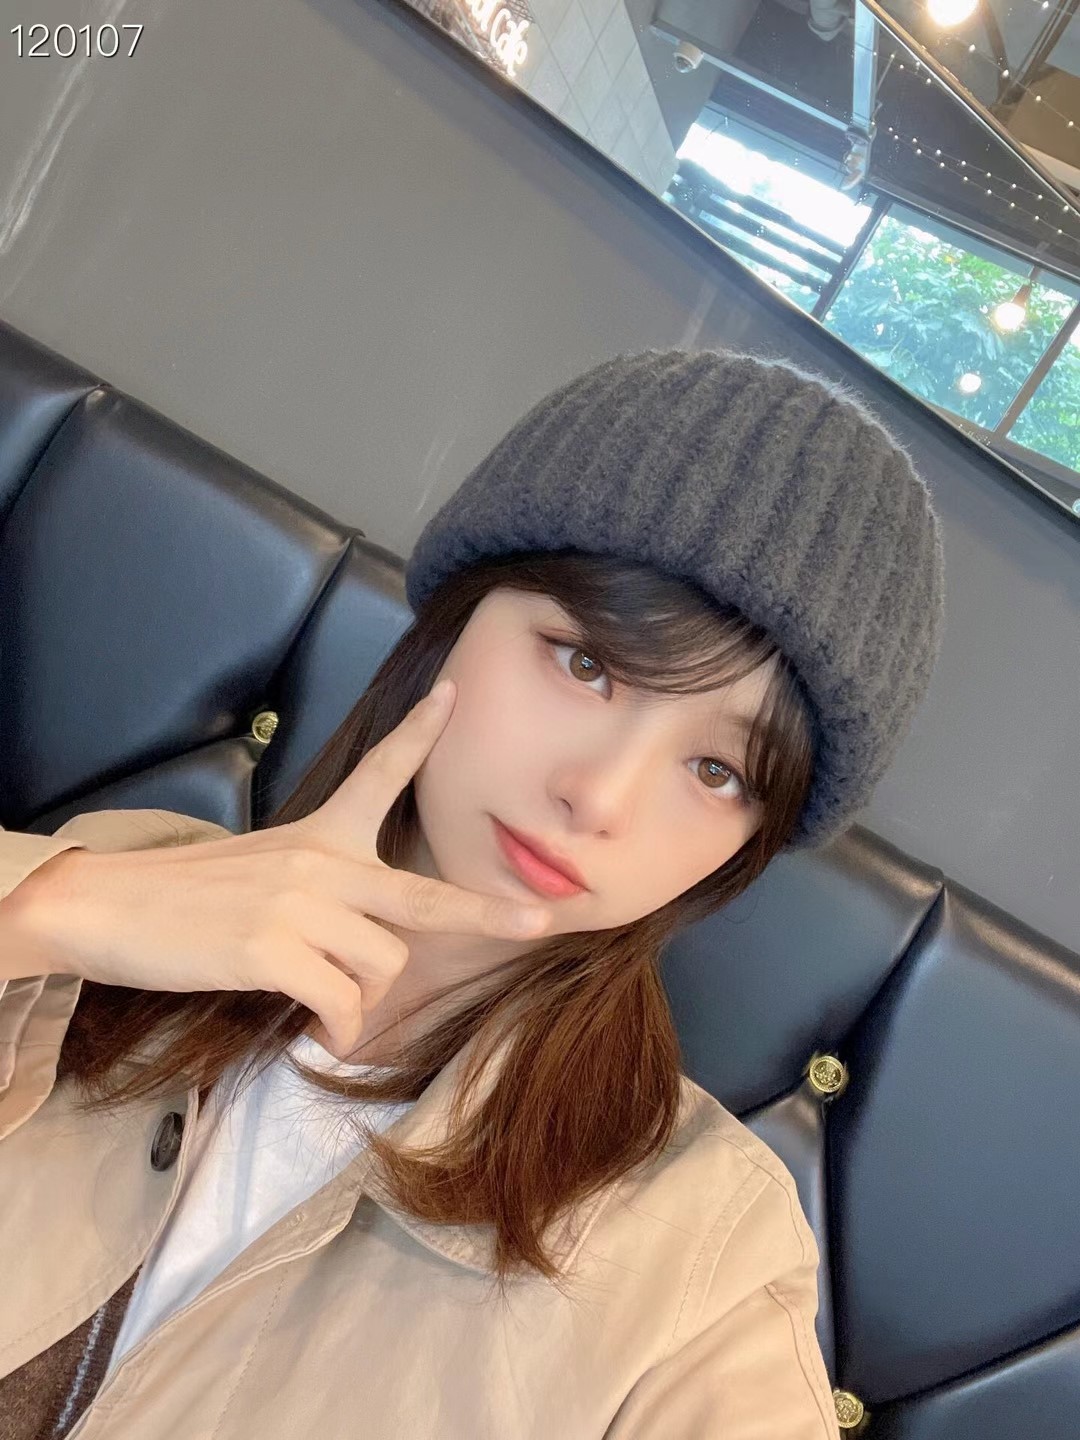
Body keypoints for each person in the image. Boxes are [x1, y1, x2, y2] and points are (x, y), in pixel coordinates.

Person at [0, 347, 945, 1439]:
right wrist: (44, 913)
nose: (599, 798)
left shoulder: (702, 1250)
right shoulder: (114, 884)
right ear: (455, 619)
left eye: (718, 770)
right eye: (587, 663)